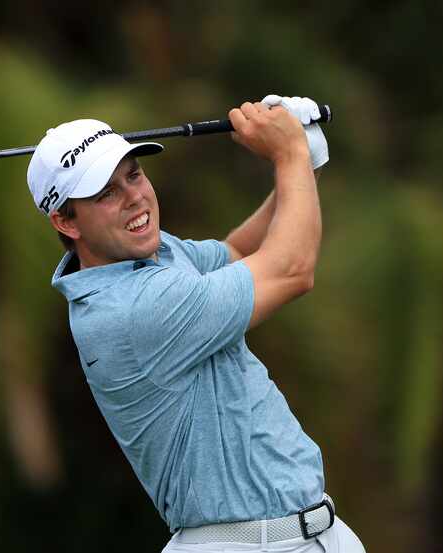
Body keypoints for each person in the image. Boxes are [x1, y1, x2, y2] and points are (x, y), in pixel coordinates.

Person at [26, 96, 366, 553]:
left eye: (134, 174)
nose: (135, 197)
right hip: (246, 545)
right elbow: (291, 270)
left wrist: (307, 162)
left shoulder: (155, 257)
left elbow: (243, 253)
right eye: (106, 193)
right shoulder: (131, 308)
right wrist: (289, 155)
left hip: (316, 533)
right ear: (66, 221)